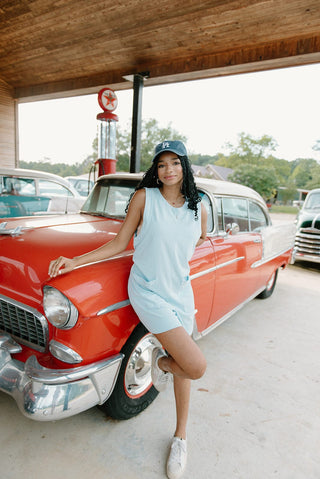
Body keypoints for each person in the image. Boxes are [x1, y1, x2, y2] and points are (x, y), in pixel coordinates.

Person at [48, 140, 207, 479]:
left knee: (186, 363)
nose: (168, 170)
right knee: (194, 365)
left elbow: (200, 238)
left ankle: (180, 436)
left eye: (174, 163)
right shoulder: (144, 198)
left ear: (185, 166)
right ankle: (160, 362)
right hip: (148, 291)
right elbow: (120, 243)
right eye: (162, 164)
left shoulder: (199, 204)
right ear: (156, 169)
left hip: (181, 291)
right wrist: (74, 262)